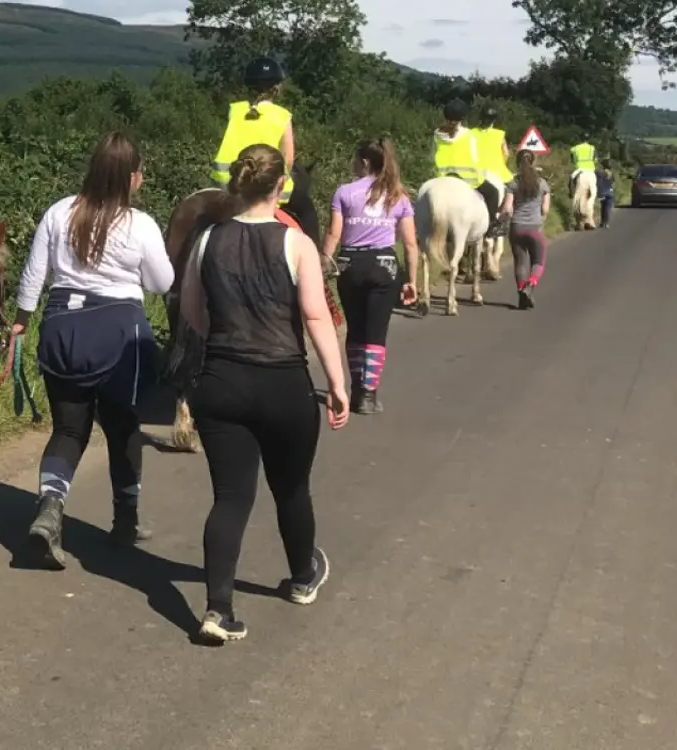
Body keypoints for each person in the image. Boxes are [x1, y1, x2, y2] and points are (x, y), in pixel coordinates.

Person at [164, 144, 351, 646]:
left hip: (221, 383)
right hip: (283, 383)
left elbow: (193, 315)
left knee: (230, 497)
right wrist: (337, 384)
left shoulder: (206, 242)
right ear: (281, 186)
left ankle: (217, 609)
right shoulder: (296, 244)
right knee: (291, 488)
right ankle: (301, 578)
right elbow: (315, 317)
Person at [14, 132, 174, 568]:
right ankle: (126, 521)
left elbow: (33, 275)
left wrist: (21, 323)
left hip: (62, 327)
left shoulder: (59, 211)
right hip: (119, 332)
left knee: (68, 431)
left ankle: (49, 511)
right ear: (133, 178)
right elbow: (162, 284)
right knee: (123, 429)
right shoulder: (139, 224)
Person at [321, 139, 421, 415]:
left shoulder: (344, 192)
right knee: (376, 333)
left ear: (364, 162)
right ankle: (368, 394)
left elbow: (333, 234)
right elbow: (410, 244)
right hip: (384, 266)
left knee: (355, 330)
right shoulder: (398, 196)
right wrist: (411, 281)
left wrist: (323, 266)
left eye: (355, 160)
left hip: (350, 264)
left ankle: (355, 389)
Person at [212, 57, 320, 244]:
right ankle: (319, 261)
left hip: (228, 185)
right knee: (306, 208)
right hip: (265, 185)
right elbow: (288, 160)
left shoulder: (234, 110)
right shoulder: (282, 116)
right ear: (276, 88)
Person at [434, 99, 501, 230]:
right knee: (493, 192)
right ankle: (492, 226)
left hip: (441, 177)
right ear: (463, 118)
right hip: (467, 178)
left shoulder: (436, 134)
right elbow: (475, 158)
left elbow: (432, 154)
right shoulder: (468, 135)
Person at [502, 150, 552, 310]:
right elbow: (545, 209)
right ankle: (530, 285)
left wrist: (501, 219)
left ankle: (521, 293)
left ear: (517, 163)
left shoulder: (513, 183)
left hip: (516, 227)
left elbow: (507, 208)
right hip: (534, 228)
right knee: (538, 261)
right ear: (533, 162)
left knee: (520, 262)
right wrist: (540, 220)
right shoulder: (542, 183)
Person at [475, 106, 516, 192]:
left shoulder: (471, 133)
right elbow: (506, 154)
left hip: (476, 172)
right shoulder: (499, 134)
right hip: (498, 171)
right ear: (494, 120)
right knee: (515, 189)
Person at [596, 163, 615, 229]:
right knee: (608, 208)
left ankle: (602, 222)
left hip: (602, 192)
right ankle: (607, 223)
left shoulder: (600, 173)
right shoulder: (611, 174)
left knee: (603, 207)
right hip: (610, 192)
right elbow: (613, 183)